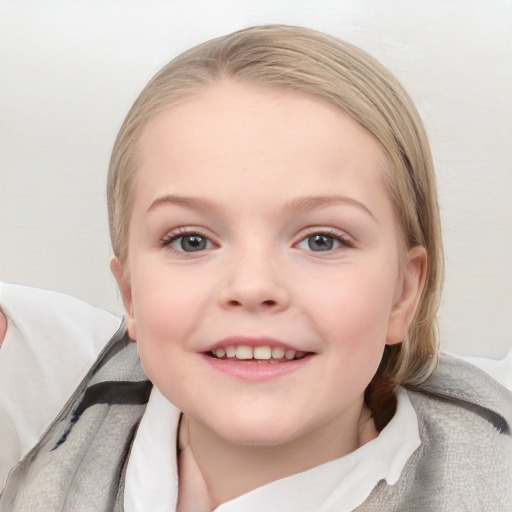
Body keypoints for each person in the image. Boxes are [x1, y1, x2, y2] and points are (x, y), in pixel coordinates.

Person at [0, 25, 510, 511]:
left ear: (403, 293)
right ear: (130, 294)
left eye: (321, 240)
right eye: (191, 240)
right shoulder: (56, 391)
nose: (252, 286)